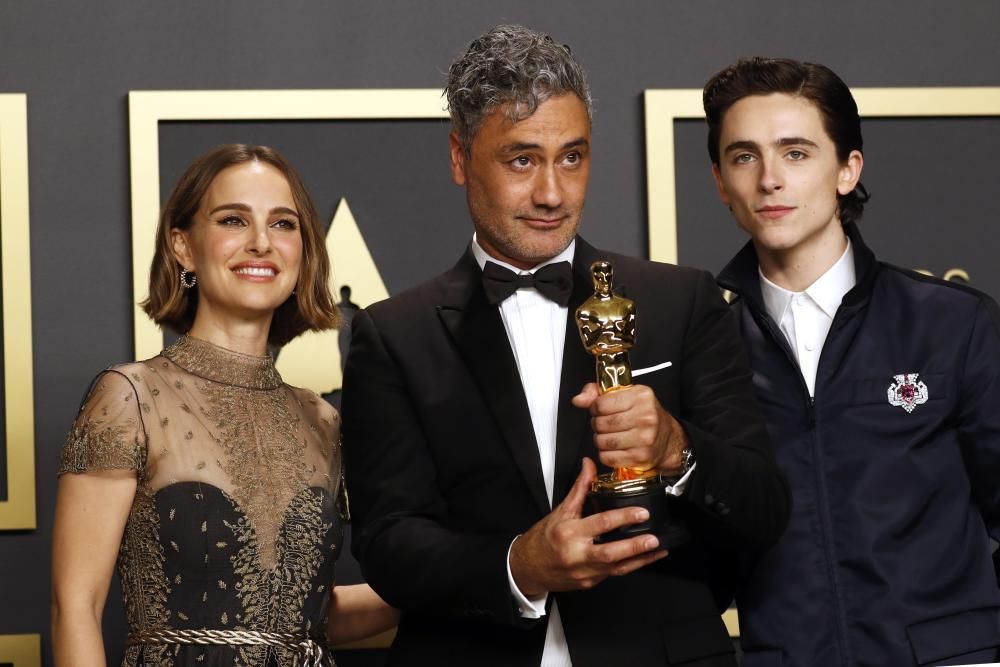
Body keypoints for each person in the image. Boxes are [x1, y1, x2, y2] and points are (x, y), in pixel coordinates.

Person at [341, 25, 790, 667]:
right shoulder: (394, 334)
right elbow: (387, 543)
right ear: (460, 157)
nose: (553, 193)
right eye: (522, 160)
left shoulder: (681, 300)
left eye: (572, 158)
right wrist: (518, 566)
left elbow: (764, 509)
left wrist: (676, 448)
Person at [51, 144, 398, 667]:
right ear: (183, 246)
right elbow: (75, 606)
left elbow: (310, 622)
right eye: (233, 219)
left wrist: (462, 577)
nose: (261, 242)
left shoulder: (322, 420)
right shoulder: (130, 396)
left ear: (303, 251)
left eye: (283, 224)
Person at [705, 57, 1000, 666]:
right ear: (720, 182)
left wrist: (975, 646)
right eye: (744, 156)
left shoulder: (953, 322)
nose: (769, 180)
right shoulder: (708, 349)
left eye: (795, 153)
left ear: (847, 169)